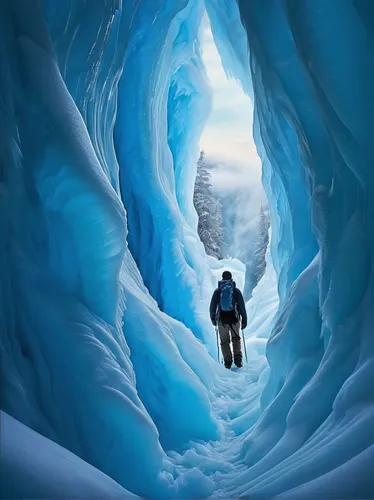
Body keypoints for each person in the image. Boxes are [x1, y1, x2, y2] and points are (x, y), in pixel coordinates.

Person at [209, 271, 247, 369]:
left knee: (224, 341)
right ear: (231, 278)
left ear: (222, 278)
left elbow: (212, 306)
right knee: (236, 339)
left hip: (222, 320)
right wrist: (244, 319)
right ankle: (238, 360)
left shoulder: (218, 291)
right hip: (235, 318)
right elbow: (242, 306)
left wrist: (213, 319)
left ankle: (228, 362)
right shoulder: (235, 291)